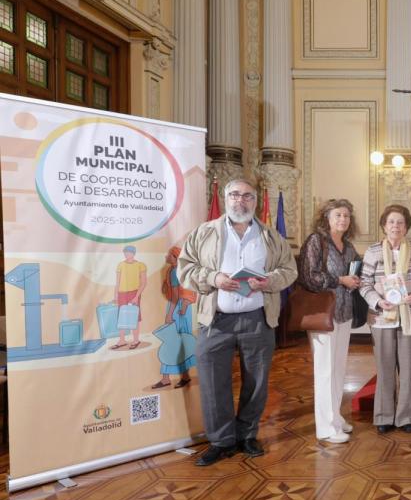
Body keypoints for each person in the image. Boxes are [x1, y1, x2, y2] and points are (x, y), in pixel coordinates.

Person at [178, 179, 298, 467]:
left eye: (246, 196)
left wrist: (269, 281)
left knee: (256, 384)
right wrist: (213, 278)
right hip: (215, 320)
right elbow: (185, 268)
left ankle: (247, 435)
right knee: (212, 382)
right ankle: (221, 441)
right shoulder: (204, 233)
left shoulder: (270, 236)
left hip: (258, 319)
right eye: (234, 195)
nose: (240, 201)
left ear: (254, 201)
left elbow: (289, 270)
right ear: (225, 197)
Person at [298, 199, 361, 444]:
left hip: (344, 314)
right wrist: (339, 281)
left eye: (346, 216)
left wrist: (355, 281)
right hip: (323, 315)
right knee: (324, 371)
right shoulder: (316, 241)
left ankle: (335, 417)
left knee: (338, 370)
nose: (343, 220)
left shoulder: (348, 246)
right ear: (326, 217)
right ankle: (325, 427)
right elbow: (308, 277)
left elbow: (354, 274)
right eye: (338, 215)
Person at [359, 204, 411, 434]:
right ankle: (383, 416)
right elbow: (364, 283)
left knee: (407, 369)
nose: (396, 226)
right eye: (391, 222)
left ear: (406, 226)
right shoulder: (373, 251)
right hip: (381, 318)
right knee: (385, 368)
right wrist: (378, 301)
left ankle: (406, 417)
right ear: (384, 226)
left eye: (400, 222)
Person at [152, 246, 196, 389]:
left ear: (175, 257)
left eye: (169, 255)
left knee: (172, 342)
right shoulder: (181, 270)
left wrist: (170, 313)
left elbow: (176, 295)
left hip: (177, 308)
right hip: (184, 308)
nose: (166, 257)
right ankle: (183, 376)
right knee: (181, 341)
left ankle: (168, 378)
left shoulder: (174, 272)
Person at [111, 245, 146, 350]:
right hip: (122, 293)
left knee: (134, 316)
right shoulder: (120, 265)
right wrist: (115, 296)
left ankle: (136, 340)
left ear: (133, 253)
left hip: (134, 293)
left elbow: (143, 283)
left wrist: (136, 297)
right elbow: (117, 282)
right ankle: (122, 340)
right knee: (121, 317)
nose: (126, 254)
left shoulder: (140, 265)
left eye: (129, 252)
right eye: (125, 252)